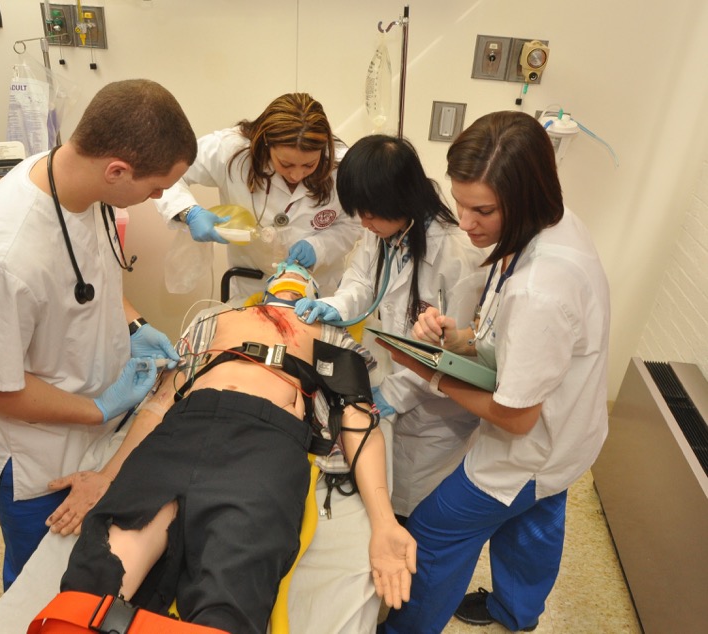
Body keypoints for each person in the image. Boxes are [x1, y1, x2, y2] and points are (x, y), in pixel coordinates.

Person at [53, 263, 417, 634]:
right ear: (268, 285)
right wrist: (108, 474)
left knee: (230, 592)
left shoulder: (328, 330)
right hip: (183, 427)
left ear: (314, 292)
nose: (292, 270)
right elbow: (161, 400)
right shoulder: (215, 318)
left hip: (265, 442)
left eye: (301, 272)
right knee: (96, 579)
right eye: (284, 269)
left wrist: (384, 522)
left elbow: (358, 420)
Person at [0, 79, 198, 591]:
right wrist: (99, 408)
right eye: (154, 188)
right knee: (42, 579)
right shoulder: (1, 258)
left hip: (92, 421)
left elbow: (91, 276)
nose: (159, 198)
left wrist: (136, 324)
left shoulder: (82, 184)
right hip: (35, 454)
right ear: (117, 170)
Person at [378, 111, 610, 633]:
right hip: (575, 431)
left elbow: (515, 417)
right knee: (534, 516)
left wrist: (430, 372)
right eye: (459, 203)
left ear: (525, 197)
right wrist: (460, 337)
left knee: (436, 532)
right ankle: (515, 611)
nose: (465, 222)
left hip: (532, 445)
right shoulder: (556, 221)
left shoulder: (542, 288)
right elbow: (516, 338)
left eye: (482, 209)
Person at [294, 134, 487, 520]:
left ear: (402, 199)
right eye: (360, 214)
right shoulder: (383, 230)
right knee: (383, 484)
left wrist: (394, 394)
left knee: (415, 506)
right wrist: (334, 305)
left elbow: (451, 354)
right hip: (396, 373)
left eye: (371, 214)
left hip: (436, 412)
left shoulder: (458, 255)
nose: (364, 223)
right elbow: (363, 281)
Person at [154, 92, 361, 300]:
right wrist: (188, 212)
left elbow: (354, 224)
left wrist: (320, 247)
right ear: (267, 143)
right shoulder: (231, 150)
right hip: (250, 288)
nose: (296, 175)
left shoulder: (342, 165)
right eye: (286, 164)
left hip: (319, 292)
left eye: (309, 165)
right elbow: (164, 171)